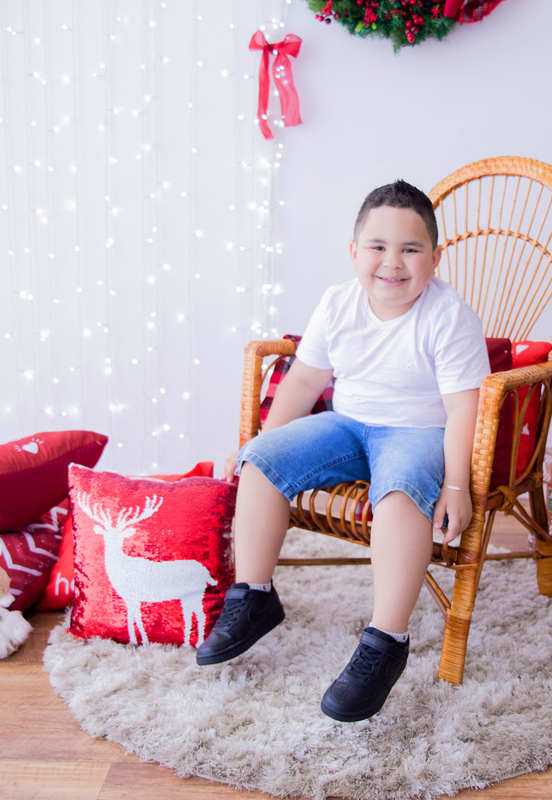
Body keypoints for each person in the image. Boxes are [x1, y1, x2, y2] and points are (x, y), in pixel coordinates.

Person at [195, 180, 490, 722]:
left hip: (417, 431)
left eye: (410, 249)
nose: (392, 262)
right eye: (377, 247)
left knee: (399, 495)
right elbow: (305, 381)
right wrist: (263, 442)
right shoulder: (338, 302)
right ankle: (254, 595)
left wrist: (456, 485)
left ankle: (386, 640)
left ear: (435, 258)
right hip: (348, 425)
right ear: (354, 253)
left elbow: (463, 408)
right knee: (260, 462)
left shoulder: (449, 316)